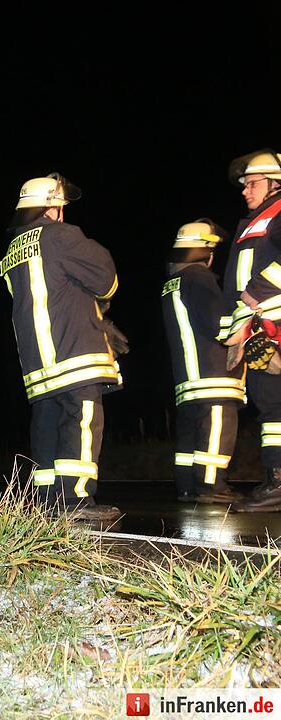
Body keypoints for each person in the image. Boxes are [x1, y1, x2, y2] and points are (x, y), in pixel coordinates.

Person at [0, 173, 124, 521]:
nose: (63, 214)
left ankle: (46, 503)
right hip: (73, 354)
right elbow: (106, 280)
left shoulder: (13, 249)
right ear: (51, 207)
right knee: (81, 421)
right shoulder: (61, 236)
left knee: (46, 425)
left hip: (37, 363)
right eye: (61, 207)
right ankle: (76, 502)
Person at [161, 219, 245, 504]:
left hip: (187, 379)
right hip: (212, 375)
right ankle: (212, 486)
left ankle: (187, 486)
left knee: (189, 436)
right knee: (217, 428)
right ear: (206, 251)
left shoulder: (173, 281)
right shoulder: (199, 277)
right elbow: (219, 325)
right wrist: (245, 322)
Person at [219, 149, 281, 512]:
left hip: (275, 326)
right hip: (260, 331)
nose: (245, 190)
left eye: (252, 183)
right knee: (270, 405)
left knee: (275, 405)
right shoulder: (255, 221)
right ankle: (274, 479)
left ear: (274, 183)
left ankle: (277, 482)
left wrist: (256, 291)